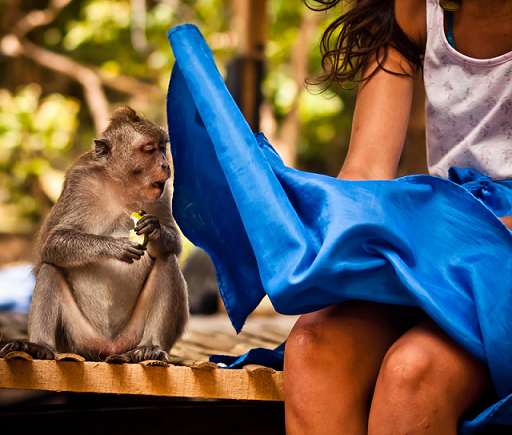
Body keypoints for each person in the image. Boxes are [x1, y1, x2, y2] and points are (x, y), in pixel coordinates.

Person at [283, 0, 512, 434]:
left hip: (490, 248)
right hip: (445, 241)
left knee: (412, 374)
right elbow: (365, 172)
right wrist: (317, 225)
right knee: (312, 349)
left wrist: (449, 238)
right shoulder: (411, 10)